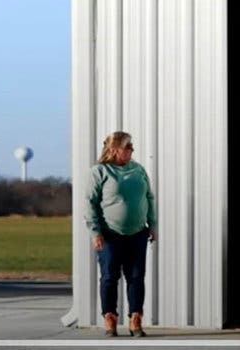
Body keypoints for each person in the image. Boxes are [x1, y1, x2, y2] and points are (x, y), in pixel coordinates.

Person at [85, 131, 157, 337]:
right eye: (127, 147)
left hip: (137, 233)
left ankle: (135, 319)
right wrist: (95, 232)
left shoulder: (138, 170)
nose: (131, 150)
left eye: (131, 147)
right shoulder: (100, 171)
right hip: (110, 235)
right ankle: (110, 318)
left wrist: (152, 223)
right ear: (114, 149)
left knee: (136, 277)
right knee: (109, 277)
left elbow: (149, 197)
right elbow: (90, 203)